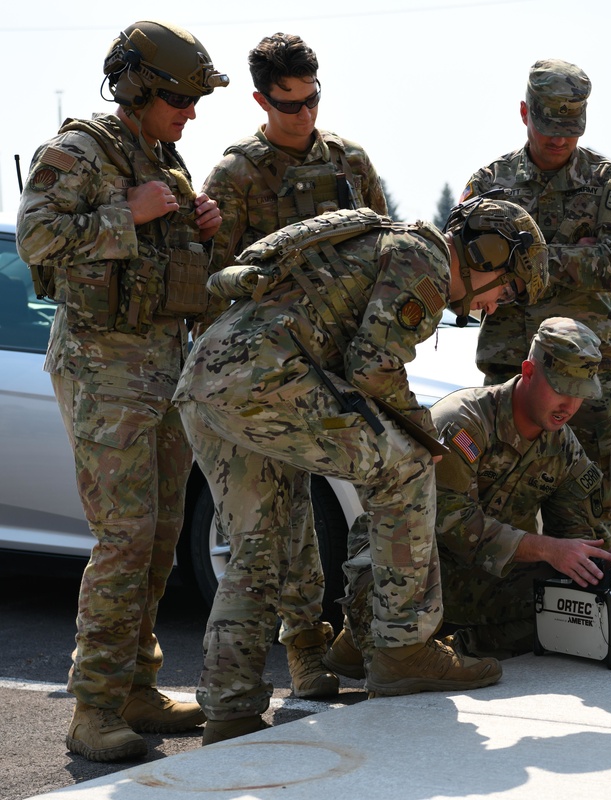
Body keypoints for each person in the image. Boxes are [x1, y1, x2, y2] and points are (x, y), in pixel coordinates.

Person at [173, 195, 548, 744]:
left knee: (260, 546)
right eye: (507, 288)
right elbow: (372, 367)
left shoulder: (391, 245)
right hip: (264, 380)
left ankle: (231, 712)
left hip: (210, 383)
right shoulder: (426, 261)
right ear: (487, 253)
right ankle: (403, 647)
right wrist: (424, 431)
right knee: (409, 464)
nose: (497, 305)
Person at [15, 20, 228, 762]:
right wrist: (124, 215)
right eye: (179, 98)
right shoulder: (76, 151)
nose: (191, 113)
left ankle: (137, 686)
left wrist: (200, 226)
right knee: (125, 538)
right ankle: (94, 707)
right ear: (138, 88)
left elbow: (169, 260)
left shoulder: (164, 159)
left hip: (164, 366)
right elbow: (35, 239)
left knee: (162, 534)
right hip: (104, 369)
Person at [200, 32, 388, 700]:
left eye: (312, 100)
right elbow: (209, 281)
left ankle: (362, 630)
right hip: (271, 370)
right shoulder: (235, 176)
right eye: (289, 105)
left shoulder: (349, 161)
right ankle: (305, 646)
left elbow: (384, 248)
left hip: (342, 360)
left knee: (393, 483)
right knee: (288, 516)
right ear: (261, 99)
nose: (304, 115)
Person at [326, 317, 611, 672]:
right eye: (561, 387)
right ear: (529, 371)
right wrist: (545, 548)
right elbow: (450, 520)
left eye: (580, 393)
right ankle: (361, 639)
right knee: (381, 567)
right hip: (422, 566)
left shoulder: (564, 449)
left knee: (577, 599)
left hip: (485, 577)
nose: (569, 404)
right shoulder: (464, 422)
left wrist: (606, 560)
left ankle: (456, 648)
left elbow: (576, 534)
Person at [459, 58, 611, 539]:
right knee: (499, 500)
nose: (559, 139)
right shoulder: (488, 185)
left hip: (586, 376)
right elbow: (465, 270)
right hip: (510, 368)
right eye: (548, 127)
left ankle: (595, 604)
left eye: (570, 128)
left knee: (590, 502)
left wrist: (522, 266)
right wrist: (573, 259)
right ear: (525, 113)